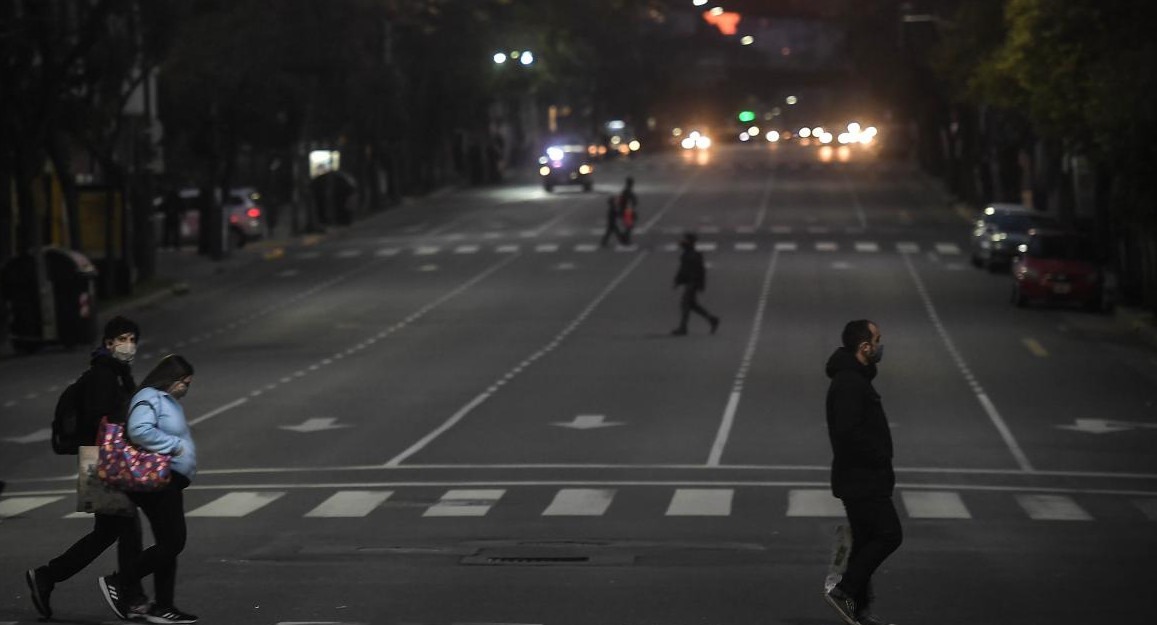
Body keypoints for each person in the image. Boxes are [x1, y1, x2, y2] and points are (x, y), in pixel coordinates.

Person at [26, 316, 146, 621]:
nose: (128, 344)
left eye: (132, 338)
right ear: (108, 343)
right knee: (128, 529)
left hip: (104, 458)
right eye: (123, 338)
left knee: (107, 532)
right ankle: (130, 596)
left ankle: (47, 576)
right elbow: (99, 420)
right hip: (103, 460)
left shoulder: (117, 372)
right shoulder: (104, 375)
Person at [102, 354, 199, 624]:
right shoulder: (150, 396)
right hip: (159, 480)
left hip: (170, 480)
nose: (186, 388)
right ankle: (120, 581)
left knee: (168, 545)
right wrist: (174, 446)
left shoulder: (166, 400)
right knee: (173, 542)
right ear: (172, 378)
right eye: (185, 382)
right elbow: (139, 430)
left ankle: (163, 607)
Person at [823, 320, 901, 625]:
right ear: (863, 347)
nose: (881, 345)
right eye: (877, 339)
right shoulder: (849, 383)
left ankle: (859, 611)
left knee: (866, 541)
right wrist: (879, 455)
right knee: (889, 534)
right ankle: (843, 592)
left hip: (863, 477)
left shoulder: (856, 379)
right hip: (861, 478)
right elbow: (847, 432)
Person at [671, 232, 720, 336]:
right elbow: (682, 270)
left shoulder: (693, 255)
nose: (682, 241)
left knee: (685, 304)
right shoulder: (687, 253)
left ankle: (683, 328)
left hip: (692, 283)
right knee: (692, 305)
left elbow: (700, 271)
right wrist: (677, 281)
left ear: (689, 241)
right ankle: (712, 319)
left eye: (684, 239)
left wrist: (700, 285)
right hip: (690, 283)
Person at [617, 177, 638, 245]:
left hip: (627, 210)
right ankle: (624, 238)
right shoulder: (628, 191)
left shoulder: (626, 191)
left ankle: (624, 238)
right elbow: (632, 201)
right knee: (629, 226)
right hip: (627, 211)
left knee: (629, 226)